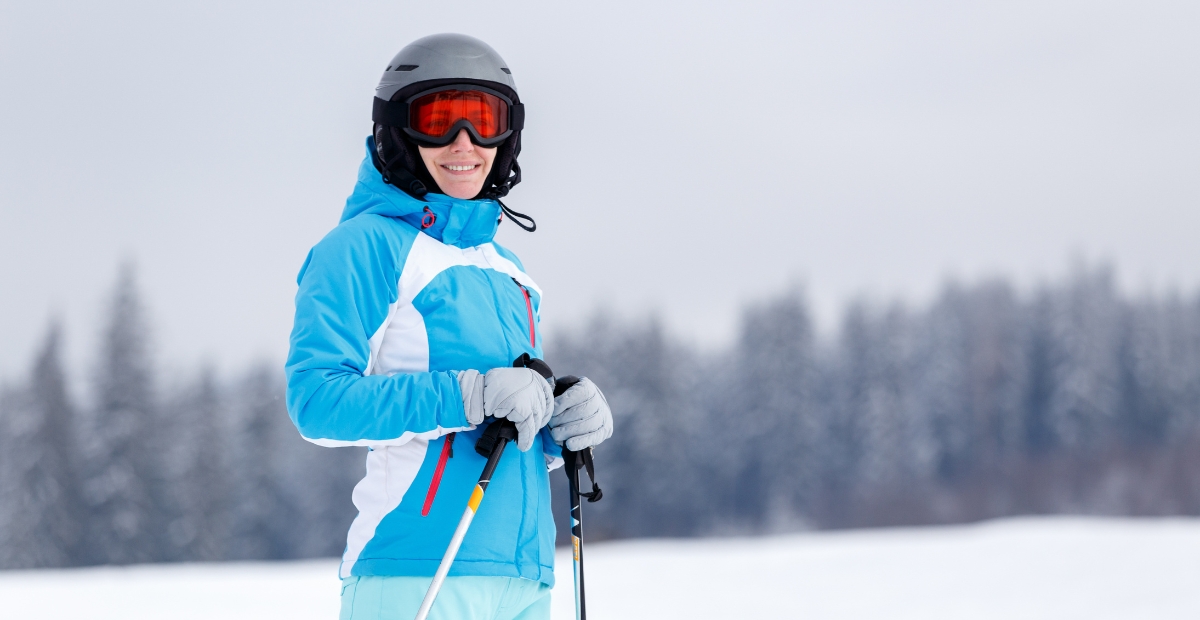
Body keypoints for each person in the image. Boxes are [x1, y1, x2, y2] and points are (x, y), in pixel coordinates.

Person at [284, 33, 613, 620]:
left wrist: (555, 427)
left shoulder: (510, 272)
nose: (464, 142)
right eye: (438, 118)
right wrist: (468, 394)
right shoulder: (362, 249)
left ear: (507, 135)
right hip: (417, 572)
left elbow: (497, 425)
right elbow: (317, 401)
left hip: (525, 578)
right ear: (397, 130)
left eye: (484, 120)